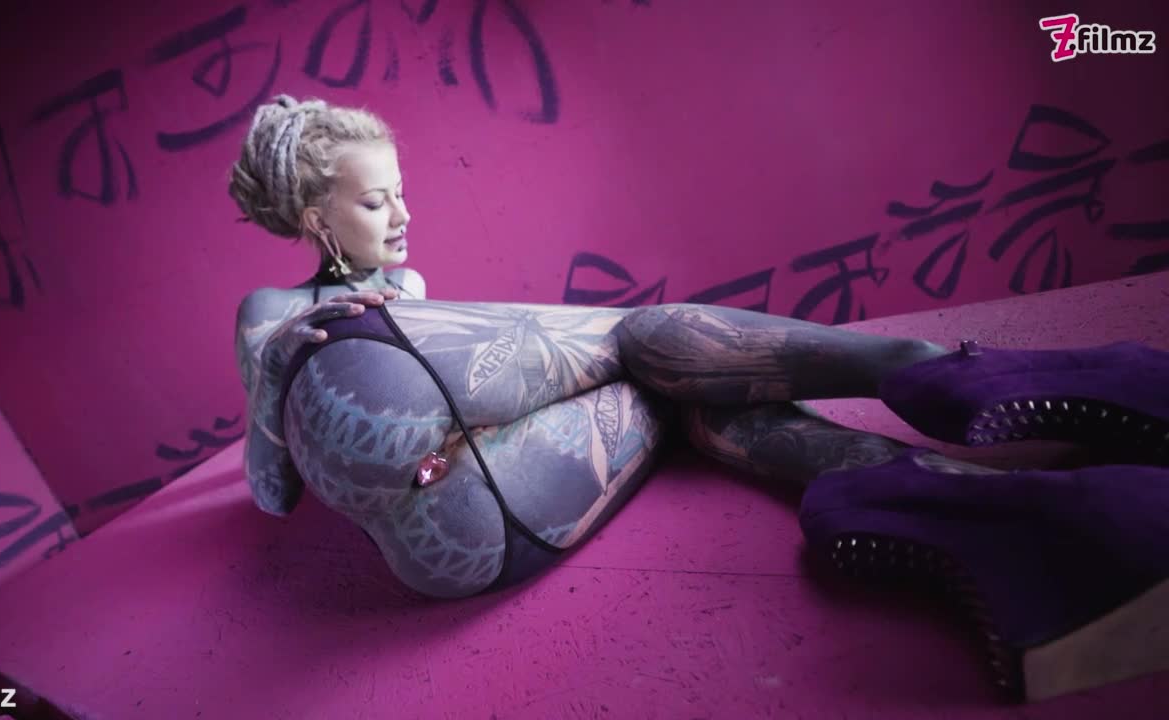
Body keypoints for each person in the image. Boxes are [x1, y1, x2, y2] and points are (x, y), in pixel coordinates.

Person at [227, 96, 1169, 700]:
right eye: (376, 202)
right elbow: (270, 493)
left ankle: (1003, 517)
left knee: (678, 389)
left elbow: (485, 400)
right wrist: (278, 370)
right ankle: (952, 376)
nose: (403, 215)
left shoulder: (411, 290)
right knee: (647, 339)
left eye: (400, 193)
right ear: (315, 218)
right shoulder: (270, 315)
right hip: (441, 544)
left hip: (503, 492)